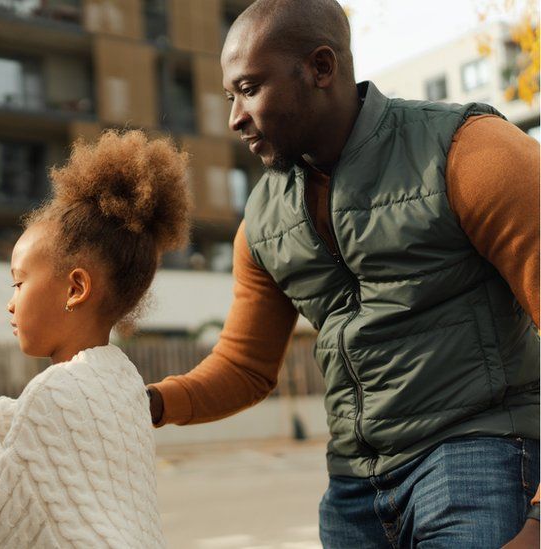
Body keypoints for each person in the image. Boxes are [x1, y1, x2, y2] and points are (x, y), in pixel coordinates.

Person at [144, 0, 540, 547]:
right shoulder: (262, 222)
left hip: (476, 454)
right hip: (353, 490)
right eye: (229, 95)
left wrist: (540, 517)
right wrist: (148, 404)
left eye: (250, 88)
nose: (234, 117)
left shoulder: (471, 153)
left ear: (321, 68)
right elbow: (244, 367)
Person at [0, 130, 189, 548]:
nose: (10, 305)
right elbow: (34, 422)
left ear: (75, 289)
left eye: (19, 284)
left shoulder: (55, 390)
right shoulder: (118, 381)